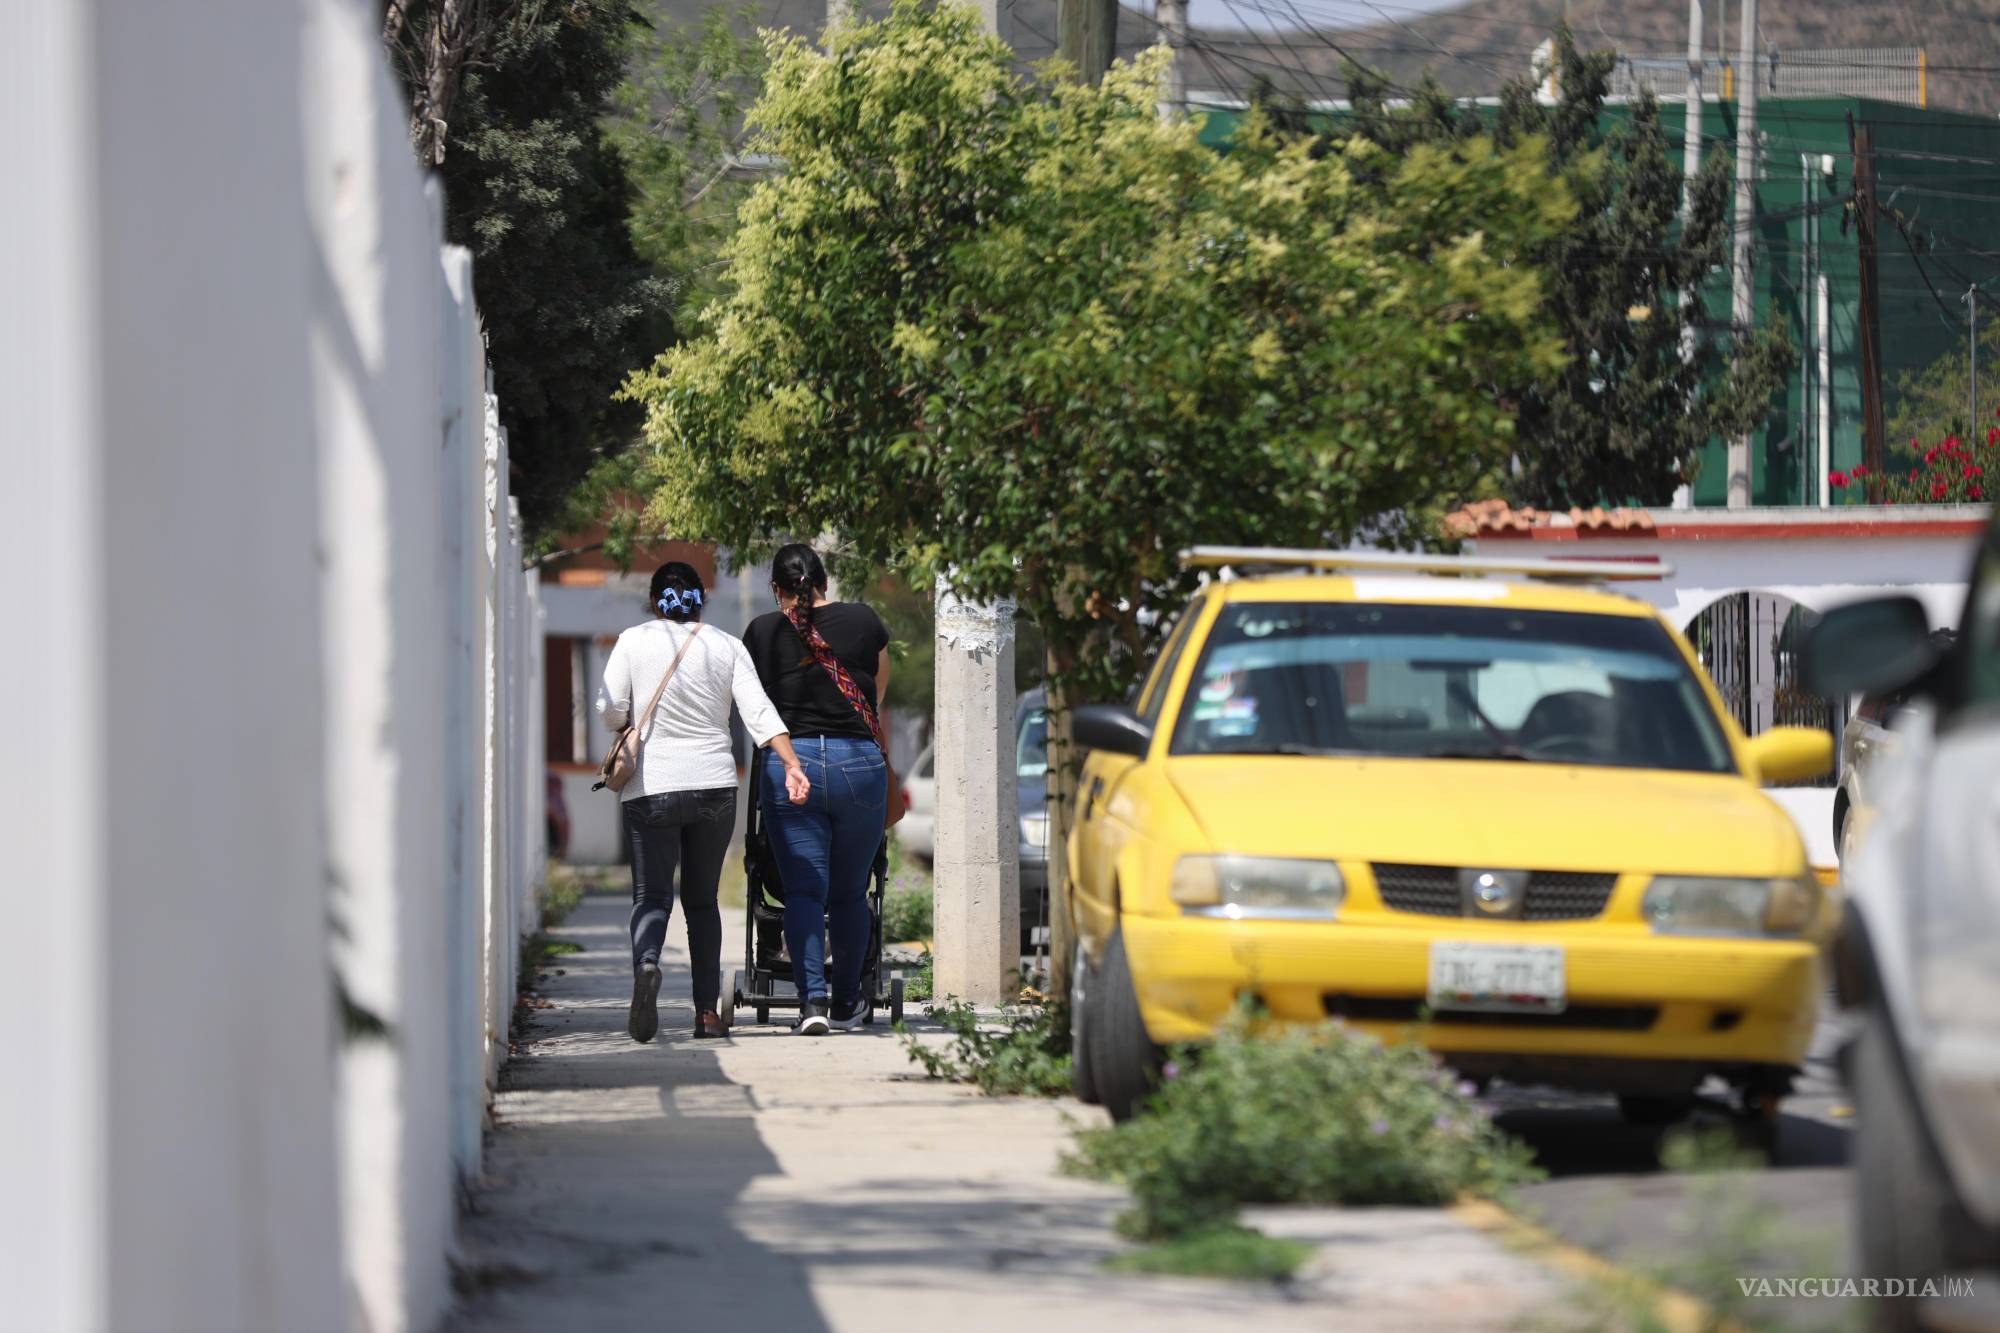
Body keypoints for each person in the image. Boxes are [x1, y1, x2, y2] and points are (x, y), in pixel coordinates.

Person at [596, 561, 809, 1043]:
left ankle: (648, 963)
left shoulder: (633, 640)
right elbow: (759, 713)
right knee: (701, 902)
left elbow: (610, 709)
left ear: (654, 602)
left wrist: (626, 722)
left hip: (651, 786)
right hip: (714, 786)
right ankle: (707, 1015)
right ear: (700, 601)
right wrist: (793, 764)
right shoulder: (726, 645)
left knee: (651, 896)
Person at [743, 543, 892, 1035]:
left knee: (805, 890)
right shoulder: (866, 621)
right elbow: (877, 695)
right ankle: (849, 1001)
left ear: (776, 589)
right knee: (851, 892)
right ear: (825, 580)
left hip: (792, 765)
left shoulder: (763, 631)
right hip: (858, 765)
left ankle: (812, 1005)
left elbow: (756, 705)